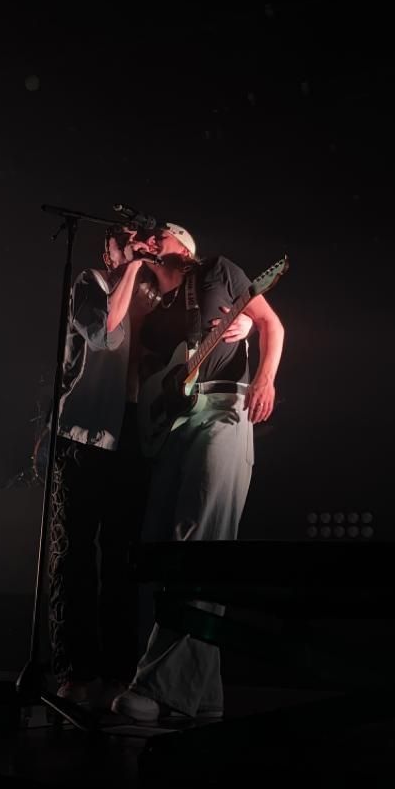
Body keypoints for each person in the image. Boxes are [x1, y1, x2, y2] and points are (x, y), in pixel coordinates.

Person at [45, 222, 254, 711]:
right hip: (86, 434)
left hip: (137, 438)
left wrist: (239, 323)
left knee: (124, 560)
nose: (131, 241)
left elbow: (185, 348)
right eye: (122, 239)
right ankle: (76, 673)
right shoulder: (93, 282)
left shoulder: (162, 300)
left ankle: (121, 675)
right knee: (73, 555)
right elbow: (102, 334)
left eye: (139, 238)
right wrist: (134, 265)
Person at [111, 223, 285, 722]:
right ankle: (200, 695)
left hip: (224, 412)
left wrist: (265, 378)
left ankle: (161, 685)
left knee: (198, 546)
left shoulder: (217, 272)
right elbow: (142, 375)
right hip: (174, 427)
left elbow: (272, 323)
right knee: (169, 550)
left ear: (185, 248)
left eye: (161, 232)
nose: (152, 234)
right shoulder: (156, 308)